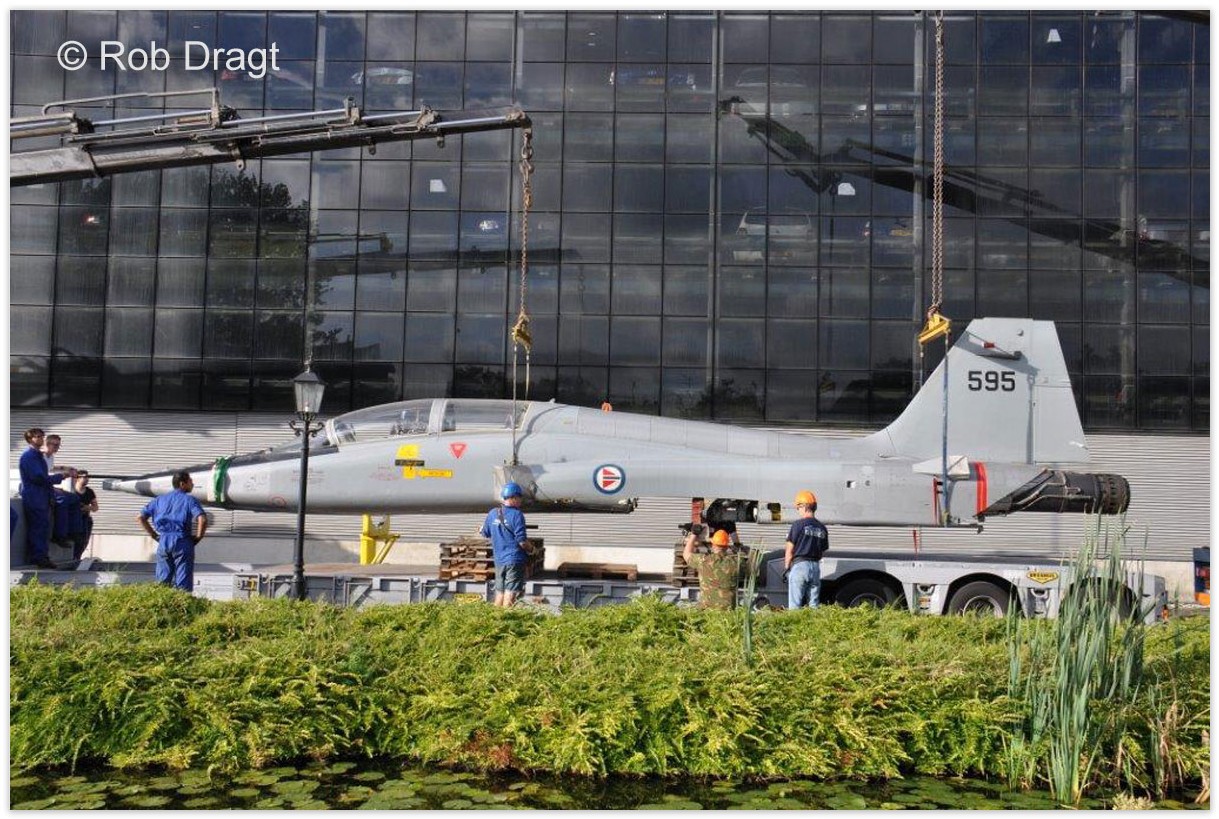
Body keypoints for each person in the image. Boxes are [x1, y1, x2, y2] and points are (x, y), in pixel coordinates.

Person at [137, 471, 208, 592]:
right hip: (182, 540)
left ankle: (162, 601)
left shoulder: (159, 500)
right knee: (183, 583)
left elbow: (140, 517)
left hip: (163, 541)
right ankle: (182, 603)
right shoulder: (189, 500)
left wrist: (154, 535)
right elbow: (202, 519)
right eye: (190, 481)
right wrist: (198, 537)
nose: (193, 484)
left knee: (162, 582)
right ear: (182, 484)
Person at [18, 428, 71, 568]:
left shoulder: (37, 456)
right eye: (38, 436)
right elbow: (39, 477)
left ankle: (41, 556)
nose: (41, 439)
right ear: (30, 439)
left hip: (41, 495)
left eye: (42, 436)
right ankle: (38, 557)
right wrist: (60, 477)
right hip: (35, 496)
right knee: (38, 527)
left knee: (43, 526)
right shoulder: (29, 456)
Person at [479, 482, 530, 607]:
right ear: (513, 498)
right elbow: (522, 542)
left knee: (500, 593)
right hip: (514, 560)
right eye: (519, 497)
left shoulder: (493, 513)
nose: (521, 501)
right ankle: (506, 617)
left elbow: (485, 532)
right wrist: (532, 549)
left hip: (499, 560)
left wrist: (482, 529)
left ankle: (495, 617)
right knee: (510, 592)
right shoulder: (517, 515)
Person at [785, 490, 829, 609]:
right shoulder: (822, 528)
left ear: (804, 507)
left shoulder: (798, 525)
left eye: (798, 507)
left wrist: (787, 568)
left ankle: (794, 622)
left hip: (800, 566)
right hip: (815, 568)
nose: (798, 510)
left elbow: (789, 549)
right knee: (813, 605)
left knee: (795, 606)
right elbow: (823, 550)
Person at [682, 527, 742, 610]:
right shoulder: (736, 563)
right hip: (728, 611)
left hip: (706, 610)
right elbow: (751, 567)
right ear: (727, 546)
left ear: (713, 545)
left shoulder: (703, 560)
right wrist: (737, 546)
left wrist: (694, 534)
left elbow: (686, 554)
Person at [72, 471, 99, 560]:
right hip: (73, 519)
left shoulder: (89, 492)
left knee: (83, 541)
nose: (86, 479)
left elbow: (95, 508)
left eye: (87, 477)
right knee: (73, 539)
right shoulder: (72, 490)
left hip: (85, 519)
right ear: (78, 478)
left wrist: (87, 507)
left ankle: (77, 557)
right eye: (84, 477)